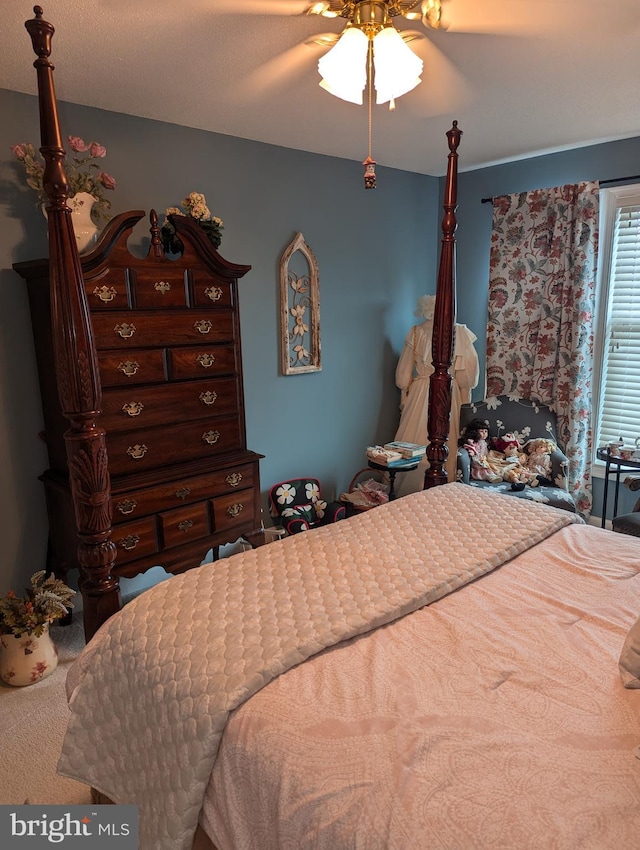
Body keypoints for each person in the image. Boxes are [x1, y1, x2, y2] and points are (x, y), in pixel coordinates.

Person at [393, 295, 480, 495]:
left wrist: (405, 390)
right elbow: (469, 376)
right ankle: (444, 491)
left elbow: (403, 375)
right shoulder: (460, 333)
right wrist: (463, 389)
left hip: (421, 390)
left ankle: (409, 491)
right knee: (447, 441)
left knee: (414, 439)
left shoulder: (416, 332)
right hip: (450, 391)